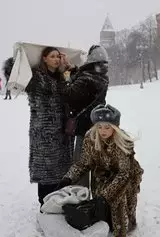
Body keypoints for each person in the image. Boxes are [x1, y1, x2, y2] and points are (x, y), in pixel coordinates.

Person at [57, 104, 143, 236]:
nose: (103, 130)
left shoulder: (123, 142)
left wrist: (105, 196)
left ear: (115, 127)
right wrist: (68, 178)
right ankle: (105, 223)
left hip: (125, 177)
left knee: (117, 201)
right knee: (100, 204)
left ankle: (122, 228)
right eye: (99, 126)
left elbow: (124, 174)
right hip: (102, 175)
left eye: (107, 127)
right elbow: (84, 163)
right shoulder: (90, 139)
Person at [25, 47, 74, 207]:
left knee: (61, 169)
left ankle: (58, 203)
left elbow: (73, 90)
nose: (56, 59)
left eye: (58, 56)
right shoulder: (36, 77)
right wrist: (16, 60)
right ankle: (44, 204)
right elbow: (16, 77)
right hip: (43, 132)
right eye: (52, 56)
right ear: (44, 58)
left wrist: (68, 67)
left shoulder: (61, 77)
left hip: (62, 131)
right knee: (45, 169)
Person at [58, 45, 110, 188]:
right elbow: (83, 78)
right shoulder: (102, 76)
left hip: (84, 126)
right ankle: (92, 191)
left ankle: (81, 194)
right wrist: (73, 68)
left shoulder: (88, 78)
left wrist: (64, 76)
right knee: (93, 161)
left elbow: (69, 94)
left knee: (81, 162)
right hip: (96, 124)